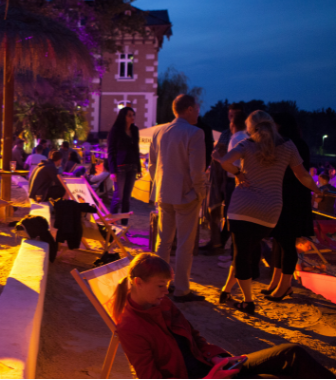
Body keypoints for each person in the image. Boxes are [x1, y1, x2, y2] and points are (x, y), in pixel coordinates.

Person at [111, 253, 336, 379]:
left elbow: (195, 337)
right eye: (161, 286)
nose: (166, 292)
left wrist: (217, 358)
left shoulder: (161, 302)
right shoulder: (130, 326)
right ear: (138, 283)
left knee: (291, 353)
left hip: (212, 366)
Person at [214, 111, 322, 314]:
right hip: (270, 210)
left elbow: (225, 161)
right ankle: (227, 289)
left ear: (250, 127)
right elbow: (303, 176)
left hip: (242, 206)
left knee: (241, 252)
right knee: (247, 250)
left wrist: (238, 173)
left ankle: (247, 301)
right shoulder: (288, 146)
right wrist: (318, 191)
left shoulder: (246, 144)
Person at [149, 94, 207, 303]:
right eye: (197, 108)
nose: (199, 112)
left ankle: (158, 286)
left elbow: (152, 165)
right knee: (184, 243)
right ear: (189, 109)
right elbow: (197, 169)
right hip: (186, 195)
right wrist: (200, 192)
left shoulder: (158, 131)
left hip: (164, 193)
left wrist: (160, 185)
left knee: (163, 241)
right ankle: (182, 288)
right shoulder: (195, 133)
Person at [264, 111, 315, 301]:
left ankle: (285, 285)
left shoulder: (292, 145)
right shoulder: (293, 144)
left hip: (290, 199)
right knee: (279, 240)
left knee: (285, 241)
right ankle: (277, 281)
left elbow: (298, 174)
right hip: (288, 197)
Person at [202, 106, 247, 255]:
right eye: (229, 115)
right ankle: (218, 242)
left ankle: (225, 246)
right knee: (223, 212)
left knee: (231, 214)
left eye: (233, 116)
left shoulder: (237, 136)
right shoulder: (229, 135)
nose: (230, 119)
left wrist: (219, 158)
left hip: (230, 178)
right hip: (223, 178)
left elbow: (232, 161)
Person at [108, 107, 140, 226]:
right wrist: (112, 170)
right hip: (120, 167)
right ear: (124, 117)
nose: (132, 117)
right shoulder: (116, 130)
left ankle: (124, 227)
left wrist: (139, 167)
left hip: (132, 166)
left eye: (133, 115)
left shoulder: (135, 130)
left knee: (127, 199)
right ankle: (112, 226)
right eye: (130, 115)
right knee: (118, 197)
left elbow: (136, 149)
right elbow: (111, 151)